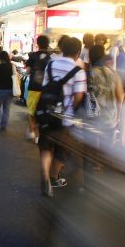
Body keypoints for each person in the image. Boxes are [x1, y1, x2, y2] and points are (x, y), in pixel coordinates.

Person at [39, 37, 87, 197]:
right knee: (62, 150)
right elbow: (79, 96)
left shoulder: (51, 65)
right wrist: (70, 111)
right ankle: (53, 177)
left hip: (47, 113)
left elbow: (44, 87)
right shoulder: (79, 71)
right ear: (78, 52)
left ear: (62, 49)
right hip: (65, 118)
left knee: (45, 147)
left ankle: (45, 177)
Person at [25, 35, 51, 142]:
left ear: (37, 44)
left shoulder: (32, 56)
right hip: (46, 89)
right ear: (48, 44)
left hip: (34, 87)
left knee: (31, 111)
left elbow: (28, 71)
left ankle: (32, 132)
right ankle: (38, 137)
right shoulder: (51, 57)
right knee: (43, 112)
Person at [0, 51, 14, 131]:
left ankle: (0, 118)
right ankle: (3, 125)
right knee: (6, 108)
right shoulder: (11, 65)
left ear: (0, 58)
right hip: (11, 89)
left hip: (2, 89)